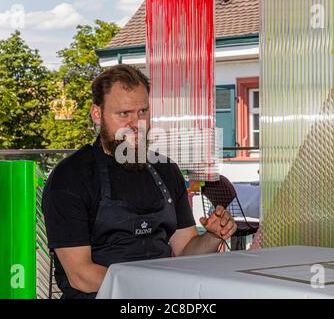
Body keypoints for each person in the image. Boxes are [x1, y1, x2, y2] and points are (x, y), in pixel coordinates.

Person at [43, 64, 237, 299]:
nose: (137, 123)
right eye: (124, 114)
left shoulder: (166, 170)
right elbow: (81, 276)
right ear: (97, 114)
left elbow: (185, 250)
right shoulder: (71, 176)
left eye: (143, 112)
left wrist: (213, 236)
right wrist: (153, 288)